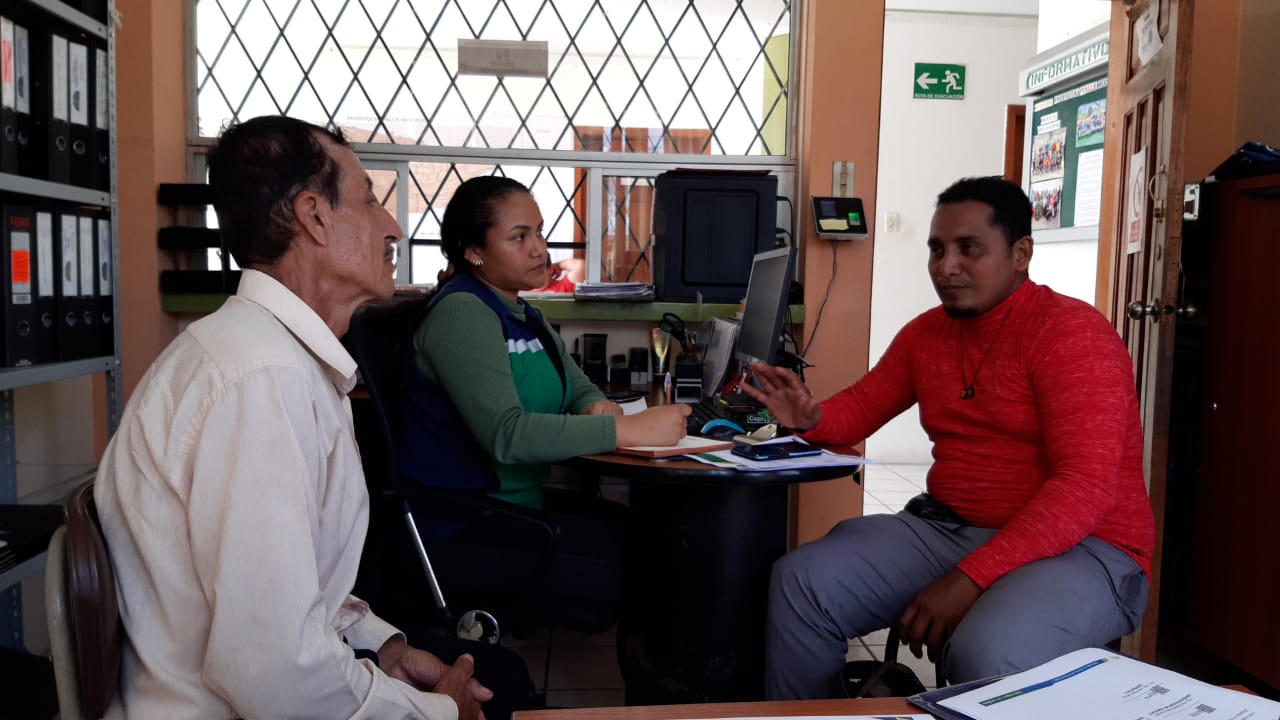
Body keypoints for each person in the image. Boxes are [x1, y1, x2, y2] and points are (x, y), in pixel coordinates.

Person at [95, 115, 517, 719]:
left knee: (499, 681)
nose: (393, 226)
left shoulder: (275, 359)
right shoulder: (261, 381)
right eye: (369, 201)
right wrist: (436, 713)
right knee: (502, 695)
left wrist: (386, 649)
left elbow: (294, 592)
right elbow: (275, 672)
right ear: (314, 217)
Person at [744, 176, 1155, 697]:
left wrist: (971, 578)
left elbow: (1084, 486)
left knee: (989, 649)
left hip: (1085, 547)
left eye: (969, 249)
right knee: (801, 583)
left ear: (1021, 253)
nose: (946, 267)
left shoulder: (1071, 333)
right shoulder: (927, 332)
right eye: (937, 250)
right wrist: (810, 417)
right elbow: (862, 407)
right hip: (951, 529)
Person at [396, 176, 689, 634]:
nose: (540, 249)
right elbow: (507, 435)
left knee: (656, 535)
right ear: (473, 250)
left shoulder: (524, 314)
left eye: (539, 232)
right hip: (468, 521)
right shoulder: (463, 313)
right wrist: (626, 429)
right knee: (645, 563)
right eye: (519, 237)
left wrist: (596, 406)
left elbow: (578, 386)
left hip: (518, 507)